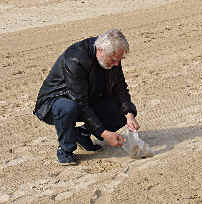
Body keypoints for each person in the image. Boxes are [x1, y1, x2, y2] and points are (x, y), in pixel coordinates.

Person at [33, 29, 140, 165]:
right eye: (113, 60)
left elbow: (120, 86)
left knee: (123, 111)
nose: (116, 64)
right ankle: (65, 149)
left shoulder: (111, 54)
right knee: (68, 107)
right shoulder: (75, 58)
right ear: (100, 50)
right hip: (56, 101)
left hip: (88, 96)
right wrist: (104, 133)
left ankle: (82, 134)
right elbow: (80, 102)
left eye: (119, 60)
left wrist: (129, 115)